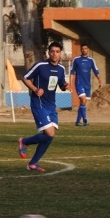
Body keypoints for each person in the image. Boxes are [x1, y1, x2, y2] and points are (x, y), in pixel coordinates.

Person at [18, 41, 71, 172]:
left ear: (60, 54)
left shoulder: (61, 69)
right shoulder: (40, 65)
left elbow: (60, 84)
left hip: (51, 105)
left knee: (49, 137)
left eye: (57, 52)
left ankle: (33, 163)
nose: (55, 54)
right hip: (39, 104)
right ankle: (24, 141)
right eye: (52, 51)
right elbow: (25, 77)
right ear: (49, 52)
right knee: (49, 133)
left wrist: (65, 86)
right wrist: (35, 89)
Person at [70, 43, 102, 126]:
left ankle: (77, 122)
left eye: (85, 48)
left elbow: (96, 71)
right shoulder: (76, 60)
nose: (84, 50)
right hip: (79, 83)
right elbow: (72, 72)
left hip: (87, 85)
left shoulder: (91, 60)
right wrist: (71, 84)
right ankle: (85, 119)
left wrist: (100, 80)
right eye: (83, 48)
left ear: (88, 49)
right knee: (83, 100)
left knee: (83, 103)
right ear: (81, 50)